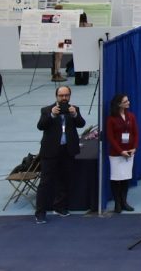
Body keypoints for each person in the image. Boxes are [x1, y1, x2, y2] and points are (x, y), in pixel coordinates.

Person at [35, 85, 85, 223]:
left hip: (67, 150)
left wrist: (75, 115)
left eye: (66, 95)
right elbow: (40, 126)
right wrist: (52, 115)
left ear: (69, 96)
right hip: (50, 151)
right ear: (56, 96)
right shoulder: (46, 110)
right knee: (45, 182)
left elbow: (81, 124)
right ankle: (40, 212)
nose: (64, 98)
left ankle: (60, 207)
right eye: (61, 95)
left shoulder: (74, 109)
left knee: (64, 180)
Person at [106, 93, 138, 213]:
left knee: (126, 178)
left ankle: (124, 202)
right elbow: (111, 137)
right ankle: (117, 203)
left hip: (129, 152)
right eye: (125, 101)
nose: (128, 103)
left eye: (128, 101)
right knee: (116, 178)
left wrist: (134, 148)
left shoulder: (131, 116)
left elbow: (135, 133)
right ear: (119, 104)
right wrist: (120, 151)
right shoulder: (111, 119)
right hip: (116, 153)